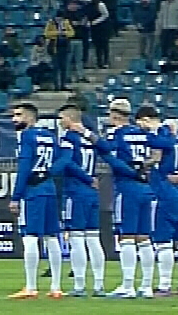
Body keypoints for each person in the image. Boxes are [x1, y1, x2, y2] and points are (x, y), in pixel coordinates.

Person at [97, 99, 158, 298]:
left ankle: (128, 285)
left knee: (127, 238)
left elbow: (111, 157)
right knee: (144, 239)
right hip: (145, 187)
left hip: (127, 187)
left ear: (115, 115)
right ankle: (147, 286)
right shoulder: (141, 133)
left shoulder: (116, 133)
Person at [8, 101, 65, 299]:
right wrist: (48, 174)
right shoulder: (49, 136)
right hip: (49, 188)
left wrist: (16, 197)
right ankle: (56, 287)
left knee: (30, 236)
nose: (14, 119)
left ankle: (31, 287)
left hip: (33, 191)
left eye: (18, 115)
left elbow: (24, 168)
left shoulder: (27, 136)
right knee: (51, 236)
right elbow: (60, 160)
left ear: (30, 117)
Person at [55, 105, 106, 297]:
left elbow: (68, 162)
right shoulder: (89, 138)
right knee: (93, 239)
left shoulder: (69, 137)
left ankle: (79, 285)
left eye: (62, 118)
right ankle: (99, 285)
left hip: (76, 191)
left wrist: (85, 178)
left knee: (76, 239)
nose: (60, 121)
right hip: (92, 193)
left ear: (69, 119)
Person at [141, 106, 178, 296]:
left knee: (163, 241)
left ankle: (164, 285)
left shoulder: (161, 134)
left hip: (165, 191)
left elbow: (157, 156)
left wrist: (141, 165)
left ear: (146, 119)